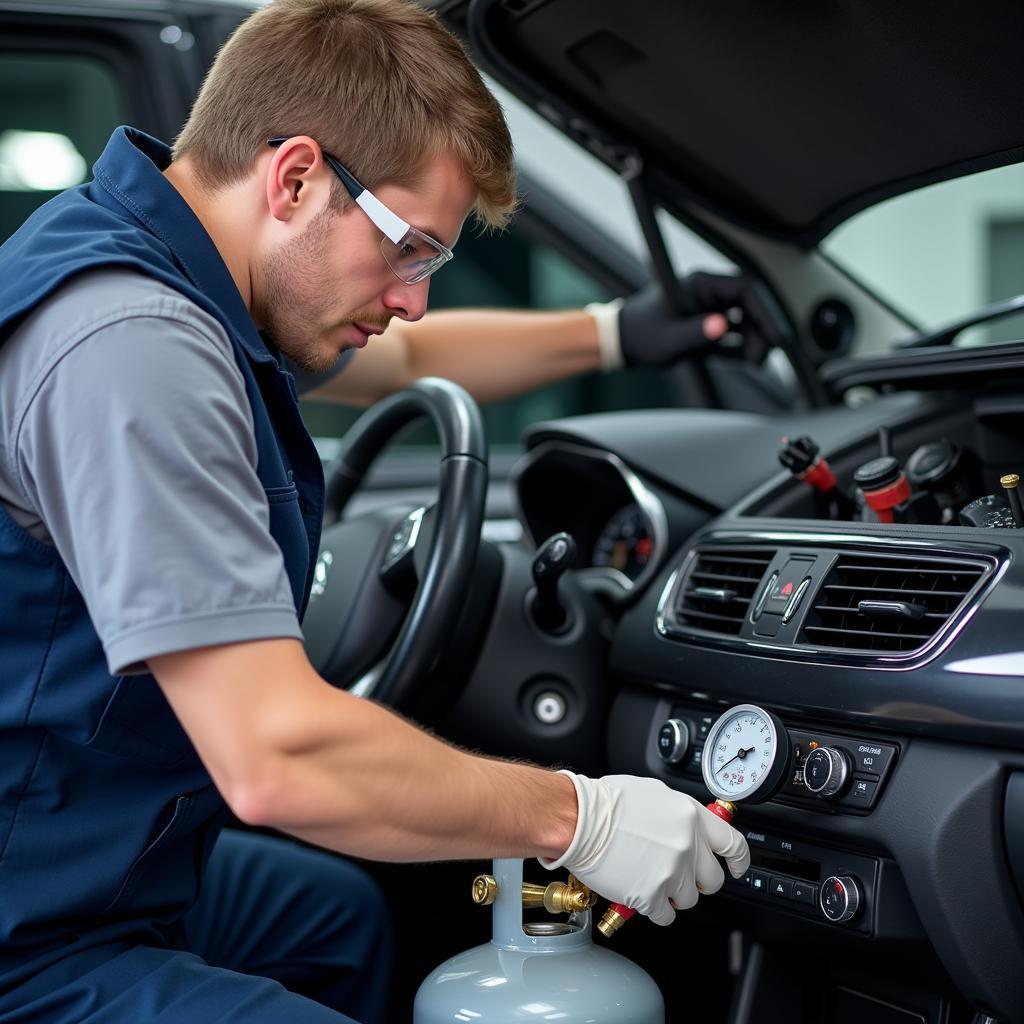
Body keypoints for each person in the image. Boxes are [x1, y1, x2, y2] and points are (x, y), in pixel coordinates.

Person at [0, 1, 750, 1022]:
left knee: (329, 916)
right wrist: (580, 816)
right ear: (295, 174)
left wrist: (616, 332)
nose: (412, 298)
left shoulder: (176, 266)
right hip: (28, 930)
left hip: (82, 844)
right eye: (411, 249)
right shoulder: (136, 347)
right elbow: (276, 757)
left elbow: (412, 357)